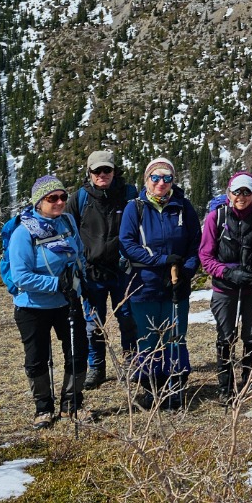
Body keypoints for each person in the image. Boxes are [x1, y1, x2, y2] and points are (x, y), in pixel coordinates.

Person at [119, 156, 202, 411]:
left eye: (167, 178)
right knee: (147, 338)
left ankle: (175, 387)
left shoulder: (183, 207)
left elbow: (195, 245)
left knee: (175, 337)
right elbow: (127, 244)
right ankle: (151, 389)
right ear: (147, 180)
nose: (161, 183)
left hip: (176, 286)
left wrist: (186, 271)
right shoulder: (136, 208)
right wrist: (163, 259)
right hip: (144, 285)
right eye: (155, 177)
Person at [8, 175, 88, 428]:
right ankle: (43, 408)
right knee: (37, 358)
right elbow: (21, 276)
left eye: (63, 197)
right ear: (38, 202)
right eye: (52, 198)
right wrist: (56, 284)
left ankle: (72, 404)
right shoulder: (23, 233)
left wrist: (78, 280)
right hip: (33, 306)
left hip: (68, 301)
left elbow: (79, 254)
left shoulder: (68, 222)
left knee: (78, 351)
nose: (59, 202)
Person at [67, 150, 138, 389]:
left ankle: (131, 363)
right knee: (93, 323)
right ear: (89, 173)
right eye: (97, 171)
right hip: (92, 272)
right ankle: (96, 367)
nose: (102, 175)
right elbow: (67, 232)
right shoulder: (79, 199)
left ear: (114, 171)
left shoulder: (129, 195)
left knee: (127, 319)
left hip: (123, 271)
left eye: (106, 170)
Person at [199, 171, 252, 405]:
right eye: (237, 191)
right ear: (229, 193)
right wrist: (227, 272)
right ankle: (226, 389)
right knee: (226, 337)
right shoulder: (215, 218)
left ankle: (249, 383)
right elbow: (206, 256)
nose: (242, 196)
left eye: (247, 191)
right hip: (224, 288)